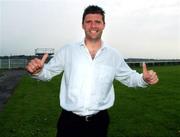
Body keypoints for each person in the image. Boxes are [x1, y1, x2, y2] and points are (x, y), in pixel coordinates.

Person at [26, 5, 159, 137]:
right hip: (69, 122)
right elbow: (48, 72)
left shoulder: (113, 55)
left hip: (99, 122)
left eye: (97, 22)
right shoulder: (68, 50)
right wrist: (37, 71)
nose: (93, 26)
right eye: (88, 22)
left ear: (104, 25)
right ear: (82, 25)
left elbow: (129, 77)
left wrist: (143, 79)